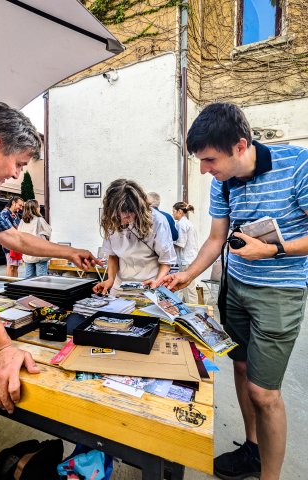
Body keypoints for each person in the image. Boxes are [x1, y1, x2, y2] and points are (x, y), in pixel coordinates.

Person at [161, 102, 308, 480]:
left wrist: (274, 249)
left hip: (279, 293)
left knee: (265, 393)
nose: (205, 169)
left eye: (210, 159)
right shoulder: (222, 183)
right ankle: (252, 450)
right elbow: (215, 238)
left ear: (240, 146)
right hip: (236, 287)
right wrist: (188, 275)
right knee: (241, 368)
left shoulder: (298, 166)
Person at [0, 102, 99, 414]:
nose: (16, 174)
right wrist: (0, 348)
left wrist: (69, 252)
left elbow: (14, 236)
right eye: (18, 163)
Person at [93, 179, 176, 295]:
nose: (123, 220)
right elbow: (113, 255)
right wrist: (110, 279)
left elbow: (166, 260)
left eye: (128, 216)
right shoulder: (111, 220)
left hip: (150, 285)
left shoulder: (158, 220)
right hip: (120, 287)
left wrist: (157, 282)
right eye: (118, 216)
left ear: (138, 209)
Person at [172, 202, 198, 303]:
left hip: (186, 260)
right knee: (184, 288)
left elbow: (181, 243)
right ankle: (183, 309)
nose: (173, 214)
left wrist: (168, 243)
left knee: (189, 289)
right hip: (190, 259)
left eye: (174, 212)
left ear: (179, 212)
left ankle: (194, 312)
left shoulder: (181, 224)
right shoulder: (188, 223)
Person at [18, 199, 52, 278]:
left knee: (29, 277)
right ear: (35, 208)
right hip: (40, 253)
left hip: (27, 253)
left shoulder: (22, 221)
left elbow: (19, 234)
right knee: (41, 278)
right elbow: (49, 232)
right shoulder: (40, 220)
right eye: (38, 206)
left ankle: (29, 290)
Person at [0, 196, 24, 277]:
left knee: (16, 267)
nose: (21, 208)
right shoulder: (5, 213)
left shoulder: (16, 214)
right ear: (13, 203)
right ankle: (9, 286)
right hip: (9, 244)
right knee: (10, 266)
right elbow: (7, 229)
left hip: (16, 243)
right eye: (20, 205)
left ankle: (15, 286)